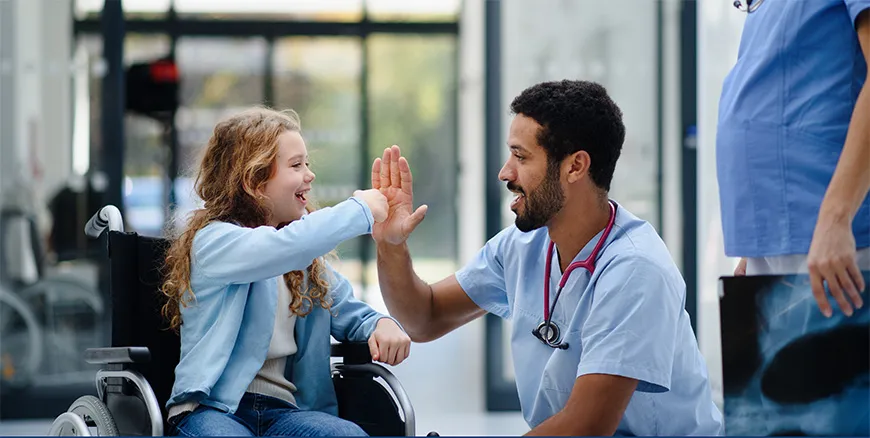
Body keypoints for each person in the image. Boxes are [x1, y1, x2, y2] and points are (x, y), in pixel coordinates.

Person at [371, 80, 724, 436]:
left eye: (521, 157)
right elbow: (424, 318)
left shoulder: (636, 270)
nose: (505, 173)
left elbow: (586, 427)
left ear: (575, 167)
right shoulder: (523, 246)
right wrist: (391, 244)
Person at [159, 107, 411, 437]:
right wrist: (360, 210)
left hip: (285, 413)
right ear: (253, 180)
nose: (310, 175)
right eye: (296, 165)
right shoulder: (214, 242)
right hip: (214, 410)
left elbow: (349, 311)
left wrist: (381, 323)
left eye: (307, 163)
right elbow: (281, 248)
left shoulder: (305, 263)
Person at [718, 0, 870, 317]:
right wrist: (759, 243)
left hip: (833, 232)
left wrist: (836, 218)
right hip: (775, 235)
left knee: (835, 363)